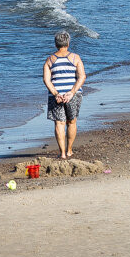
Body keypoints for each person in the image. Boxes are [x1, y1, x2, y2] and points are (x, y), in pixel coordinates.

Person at [43, 30, 86, 161]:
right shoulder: (75, 58)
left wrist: (56, 94)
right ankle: (69, 150)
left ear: (56, 44)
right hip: (72, 95)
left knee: (59, 123)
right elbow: (82, 77)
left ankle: (62, 153)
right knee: (71, 122)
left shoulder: (50, 60)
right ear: (68, 43)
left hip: (56, 96)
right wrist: (72, 92)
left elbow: (46, 80)